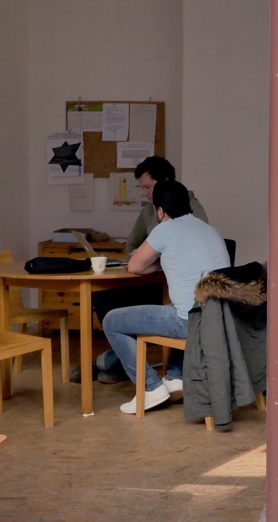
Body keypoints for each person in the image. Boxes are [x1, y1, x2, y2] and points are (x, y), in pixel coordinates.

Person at [78, 156, 211, 384]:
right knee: (104, 296)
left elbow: (188, 247)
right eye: (143, 188)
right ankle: (120, 359)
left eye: (149, 187)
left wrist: (153, 258)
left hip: (179, 292)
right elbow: (133, 244)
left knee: (121, 318)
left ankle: (121, 367)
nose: (145, 193)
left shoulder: (187, 212)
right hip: (158, 282)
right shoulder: (151, 211)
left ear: (165, 182)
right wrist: (144, 255)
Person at [102, 179, 230, 413]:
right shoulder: (210, 230)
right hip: (221, 318)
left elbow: (134, 266)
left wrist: (158, 262)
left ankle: (150, 388)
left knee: (112, 321)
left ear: (160, 211)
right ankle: (176, 376)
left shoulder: (165, 229)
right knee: (179, 303)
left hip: (191, 322)